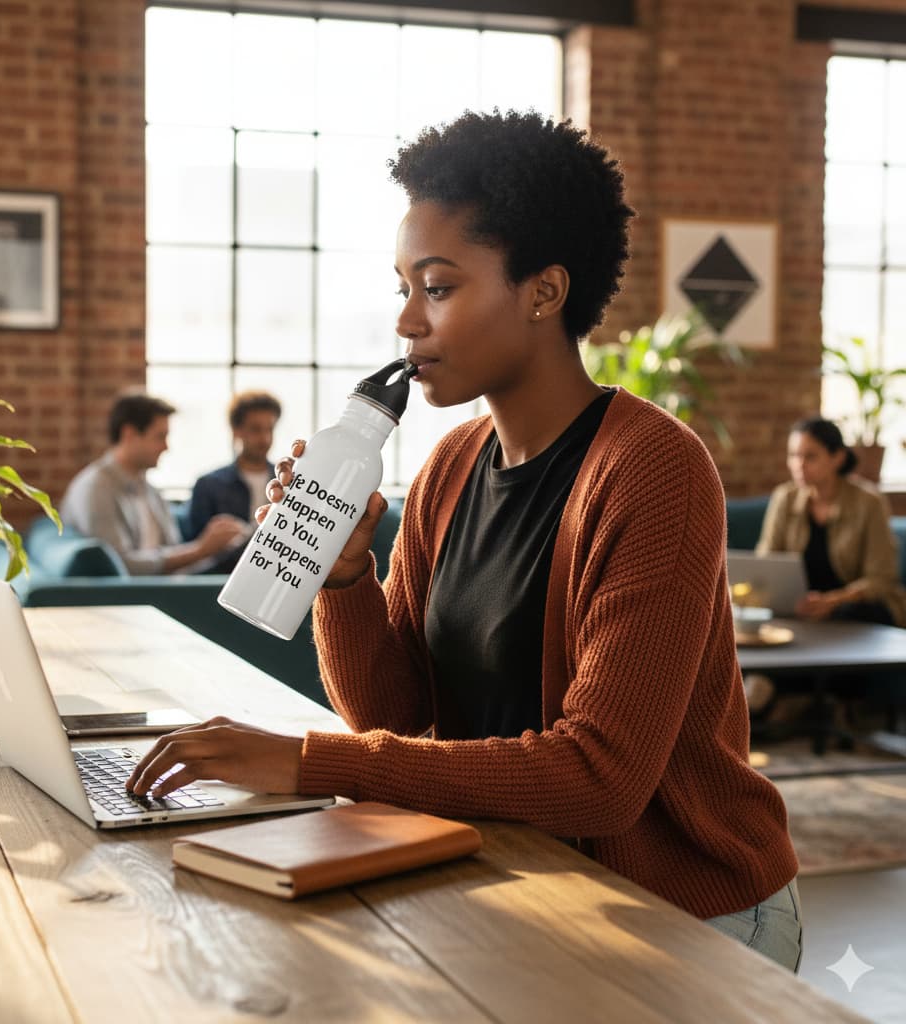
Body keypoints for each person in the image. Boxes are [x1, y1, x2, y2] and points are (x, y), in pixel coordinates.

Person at [128, 110, 801, 969]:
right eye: (403, 288)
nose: (408, 322)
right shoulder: (450, 466)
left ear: (544, 292)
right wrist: (344, 581)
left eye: (438, 288)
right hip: (526, 876)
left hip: (684, 911)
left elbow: (599, 778)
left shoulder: (653, 469)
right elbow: (398, 720)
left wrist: (304, 762)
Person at [61, 392, 247, 575]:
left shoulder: (147, 488)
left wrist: (213, 546)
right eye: (160, 436)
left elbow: (173, 549)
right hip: (143, 596)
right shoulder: (97, 488)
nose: (166, 447)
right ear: (130, 434)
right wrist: (200, 550)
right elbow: (122, 565)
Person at [756, 416, 906, 627]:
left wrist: (833, 601)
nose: (799, 465)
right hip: (800, 608)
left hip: (856, 607)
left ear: (838, 458)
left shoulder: (869, 502)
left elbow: (881, 579)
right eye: (794, 455)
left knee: (850, 613)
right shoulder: (784, 498)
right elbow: (766, 561)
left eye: (810, 457)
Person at [187, 390, 282, 573]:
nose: (264, 438)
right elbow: (199, 551)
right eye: (255, 429)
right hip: (224, 575)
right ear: (236, 431)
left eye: (269, 429)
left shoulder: (288, 483)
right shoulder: (208, 485)